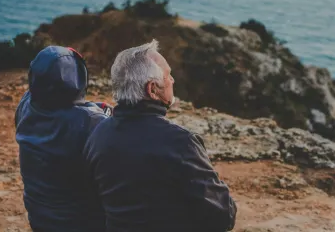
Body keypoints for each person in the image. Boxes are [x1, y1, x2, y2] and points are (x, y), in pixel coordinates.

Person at [84, 40, 237, 232]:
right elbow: (223, 216)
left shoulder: (98, 133)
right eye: (168, 76)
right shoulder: (180, 143)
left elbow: (92, 201)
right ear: (152, 89)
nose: (172, 80)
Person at [15, 46, 112, 232]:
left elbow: (62, 110)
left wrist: (91, 107)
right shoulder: (93, 122)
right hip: (82, 224)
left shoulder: (26, 105)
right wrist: (103, 112)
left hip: (39, 218)